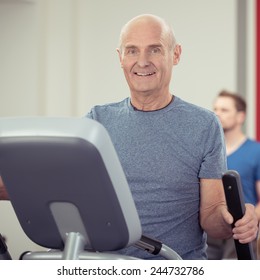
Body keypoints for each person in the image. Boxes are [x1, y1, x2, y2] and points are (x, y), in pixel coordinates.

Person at [0, 14, 258, 260]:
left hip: (170, 265)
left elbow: (212, 216)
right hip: (101, 265)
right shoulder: (97, 119)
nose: (142, 61)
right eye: (132, 50)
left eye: (155, 49)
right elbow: (56, 183)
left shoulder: (204, 124)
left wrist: (233, 220)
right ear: (120, 57)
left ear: (175, 54)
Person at [207, 90, 260, 259]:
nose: (217, 113)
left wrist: (247, 223)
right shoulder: (209, 153)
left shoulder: (256, 151)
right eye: (215, 108)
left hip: (240, 234)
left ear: (240, 116)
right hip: (210, 232)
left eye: (224, 110)